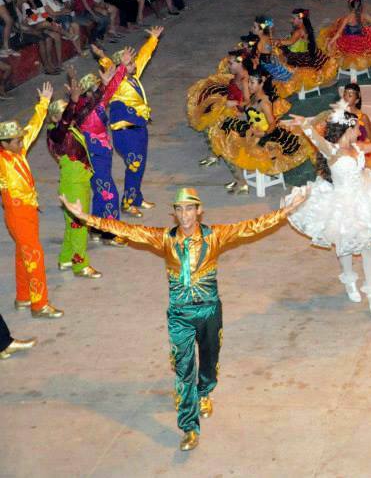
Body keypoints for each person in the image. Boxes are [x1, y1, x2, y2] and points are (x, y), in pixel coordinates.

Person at [61, 186, 308, 451]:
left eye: (189, 209)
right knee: (184, 370)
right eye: (179, 210)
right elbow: (126, 229)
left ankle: (204, 392)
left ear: (199, 211)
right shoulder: (165, 239)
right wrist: (85, 217)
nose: (185, 215)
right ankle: (189, 427)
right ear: (174, 213)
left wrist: (287, 210)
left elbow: (253, 226)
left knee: (209, 360)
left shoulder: (215, 235)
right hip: (180, 315)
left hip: (209, 311)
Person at [283, 101, 371, 315]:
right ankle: (350, 281)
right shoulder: (332, 150)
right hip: (341, 202)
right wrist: (305, 124)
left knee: (368, 246)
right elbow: (315, 139)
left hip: (364, 199)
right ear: (347, 129)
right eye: (356, 128)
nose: (359, 132)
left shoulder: (358, 148)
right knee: (345, 244)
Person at [0, 81, 64, 318]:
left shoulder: (18, 150)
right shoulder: (2, 162)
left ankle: (23, 296)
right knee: (34, 256)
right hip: (17, 215)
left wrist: (44, 103)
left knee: (23, 254)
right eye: (17, 141)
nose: (22, 142)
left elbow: (33, 127)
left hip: (28, 211)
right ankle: (40, 304)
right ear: (4, 144)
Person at [207, 72, 309, 193]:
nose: (249, 85)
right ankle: (240, 180)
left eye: (252, 82)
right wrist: (236, 111)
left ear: (261, 84)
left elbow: (272, 123)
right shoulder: (253, 96)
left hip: (263, 136)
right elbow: (248, 114)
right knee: (226, 136)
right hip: (252, 130)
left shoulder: (265, 103)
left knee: (232, 146)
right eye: (249, 82)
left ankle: (241, 182)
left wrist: (264, 134)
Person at [46, 67, 101, 278]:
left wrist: (99, 89)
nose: (68, 116)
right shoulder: (56, 133)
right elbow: (66, 121)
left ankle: (66, 258)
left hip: (79, 179)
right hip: (73, 183)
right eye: (63, 114)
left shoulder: (70, 126)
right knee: (79, 224)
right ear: (54, 118)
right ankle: (81, 265)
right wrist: (72, 102)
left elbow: (86, 108)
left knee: (73, 223)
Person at [107, 27, 163, 217]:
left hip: (139, 129)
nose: (134, 65)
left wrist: (153, 39)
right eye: (129, 63)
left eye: (131, 62)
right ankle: (127, 203)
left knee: (140, 165)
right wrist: (121, 66)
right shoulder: (116, 84)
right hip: (125, 133)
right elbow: (112, 77)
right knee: (134, 166)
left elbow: (144, 57)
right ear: (121, 67)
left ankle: (137, 198)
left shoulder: (133, 78)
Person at [77, 51, 128, 245]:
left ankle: (96, 228)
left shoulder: (96, 105)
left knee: (100, 192)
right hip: (94, 156)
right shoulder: (83, 112)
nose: (100, 90)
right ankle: (110, 233)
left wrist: (122, 67)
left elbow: (111, 89)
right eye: (96, 88)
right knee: (109, 193)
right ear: (88, 94)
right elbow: (106, 91)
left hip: (102, 155)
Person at [319, 0, 371, 75]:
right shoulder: (364, 15)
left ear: (349, 5)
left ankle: (345, 66)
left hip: (348, 43)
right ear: (361, 5)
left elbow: (339, 33)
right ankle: (356, 66)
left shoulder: (347, 18)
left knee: (329, 38)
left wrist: (330, 42)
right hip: (362, 42)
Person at [277, 8, 336, 92]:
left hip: (299, 56)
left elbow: (290, 42)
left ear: (300, 20)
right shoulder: (306, 27)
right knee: (282, 52)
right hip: (305, 53)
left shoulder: (299, 31)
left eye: (293, 18)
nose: (291, 20)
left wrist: (278, 41)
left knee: (280, 56)